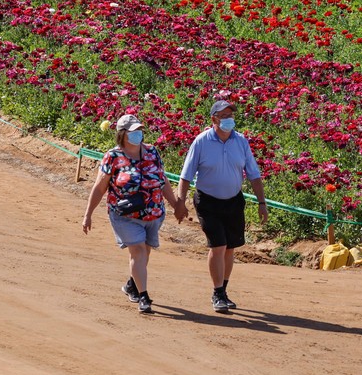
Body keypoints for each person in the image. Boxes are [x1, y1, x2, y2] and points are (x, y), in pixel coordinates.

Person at [82, 114, 186, 314]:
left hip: (153, 213)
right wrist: (88, 214)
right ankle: (144, 297)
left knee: (144, 253)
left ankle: (132, 284)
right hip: (125, 215)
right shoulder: (112, 156)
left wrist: (175, 205)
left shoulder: (152, 152)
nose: (138, 134)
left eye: (140, 130)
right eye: (133, 131)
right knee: (137, 250)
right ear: (122, 134)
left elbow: (162, 180)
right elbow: (99, 187)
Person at [176, 100, 268, 313]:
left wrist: (262, 203)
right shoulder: (201, 142)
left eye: (231, 115)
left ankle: (223, 290)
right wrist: (180, 203)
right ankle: (217, 292)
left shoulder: (241, 142)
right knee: (217, 245)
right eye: (224, 115)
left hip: (234, 201)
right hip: (208, 201)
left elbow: (253, 175)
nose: (229, 119)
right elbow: (186, 176)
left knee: (229, 247)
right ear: (213, 119)